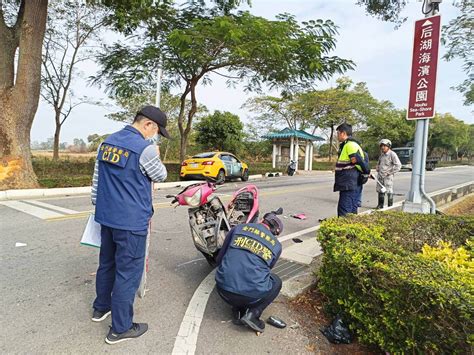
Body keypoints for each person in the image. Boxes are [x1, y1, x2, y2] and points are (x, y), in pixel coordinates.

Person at [90, 105, 169, 344]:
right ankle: (121, 328)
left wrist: (100, 208)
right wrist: (153, 151)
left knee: (107, 263)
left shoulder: (107, 143)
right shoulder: (144, 149)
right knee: (128, 272)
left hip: (106, 216)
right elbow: (161, 176)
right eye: (155, 132)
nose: (154, 137)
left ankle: (100, 308)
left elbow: (96, 182)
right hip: (131, 221)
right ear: (148, 125)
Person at [215, 212, 284, 333]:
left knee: (235, 270)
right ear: (276, 233)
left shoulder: (239, 228)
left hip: (222, 290)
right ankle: (253, 314)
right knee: (276, 281)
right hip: (251, 297)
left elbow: (219, 259)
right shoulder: (276, 245)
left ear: (262, 220)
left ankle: (237, 311)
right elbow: (267, 270)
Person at [334, 123, 369, 217]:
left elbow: (357, 161)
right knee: (351, 211)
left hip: (349, 183)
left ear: (343, 133)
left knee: (344, 211)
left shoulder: (350, 145)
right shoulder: (349, 144)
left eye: (338, 133)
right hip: (349, 182)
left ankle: (344, 231)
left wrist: (366, 172)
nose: (337, 136)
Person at [375, 139, 401, 208]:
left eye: (384, 146)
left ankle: (390, 206)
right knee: (380, 190)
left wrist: (389, 172)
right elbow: (379, 163)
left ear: (388, 146)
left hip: (388, 177)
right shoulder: (382, 155)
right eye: (381, 146)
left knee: (389, 191)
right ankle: (380, 205)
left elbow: (398, 166)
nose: (383, 147)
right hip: (380, 176)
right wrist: (377, 167)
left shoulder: (392, 154)